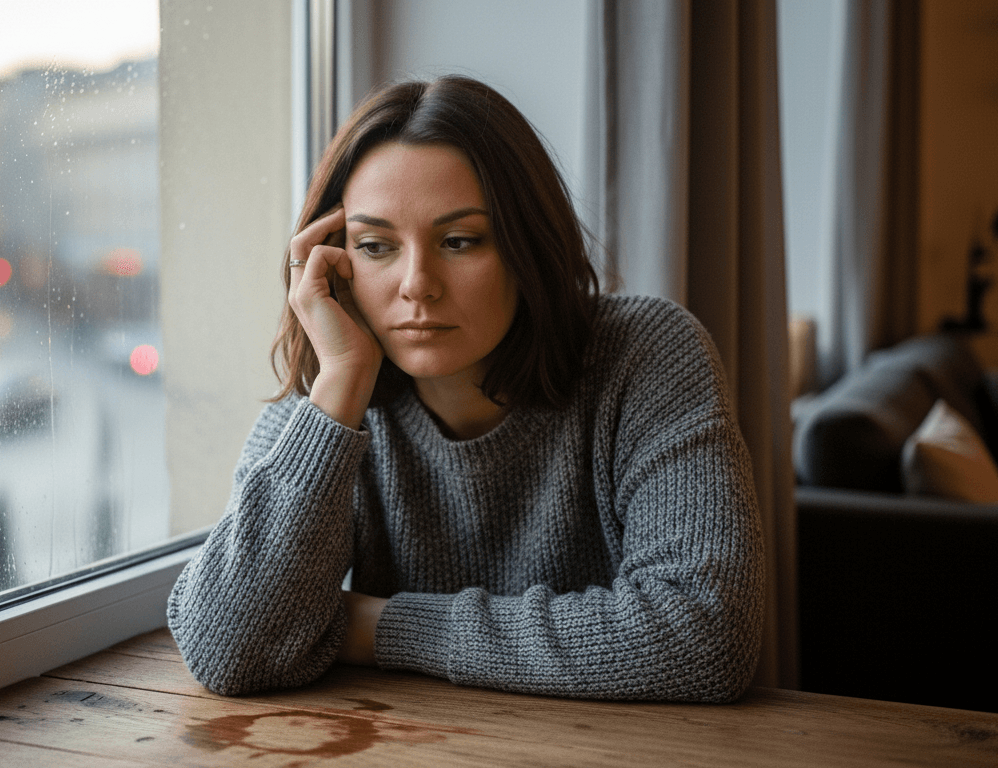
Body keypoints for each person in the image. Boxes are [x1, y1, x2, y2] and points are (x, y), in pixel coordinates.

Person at [166, 75, 763, 703]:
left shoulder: (646, 352)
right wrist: (340, 387)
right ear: (331, 261)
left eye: (459, 241)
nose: (417, 284)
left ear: (526, 246)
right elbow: (225, 647)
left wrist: (381, 627)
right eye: (375, 246)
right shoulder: (335, 388)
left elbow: (705, 635)